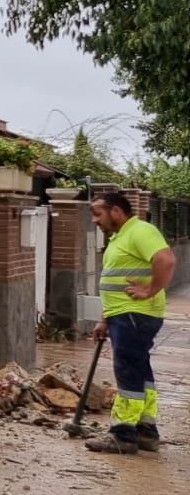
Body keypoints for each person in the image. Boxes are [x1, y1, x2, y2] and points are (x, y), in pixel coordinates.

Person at [86, 192, 177, 454]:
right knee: (140, 370)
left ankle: (123, 434)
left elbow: (166, 260)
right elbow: (114, 282)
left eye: (97, 213)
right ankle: (146, 430)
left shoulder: (140, 230)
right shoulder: (119, 238)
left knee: (127, 372)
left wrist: (149, 290)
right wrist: (105, 319)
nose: (94, 220)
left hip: (134, 315)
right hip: (123, 315)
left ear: (116, 211)